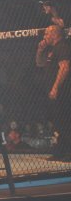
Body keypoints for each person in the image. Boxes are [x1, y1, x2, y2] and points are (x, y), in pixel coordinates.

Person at [36, 25, 71, 161]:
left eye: (46, 34)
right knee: (58, 121)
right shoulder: (51, 49)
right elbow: (39, 63)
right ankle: (60, 152)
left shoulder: (62, 47)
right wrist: (40, 50)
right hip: (54, 91)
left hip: (63, 91)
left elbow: (65, 67)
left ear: (54, 34)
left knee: (65, 120)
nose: (44, 36)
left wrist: (55, 87)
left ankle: (68, 152)